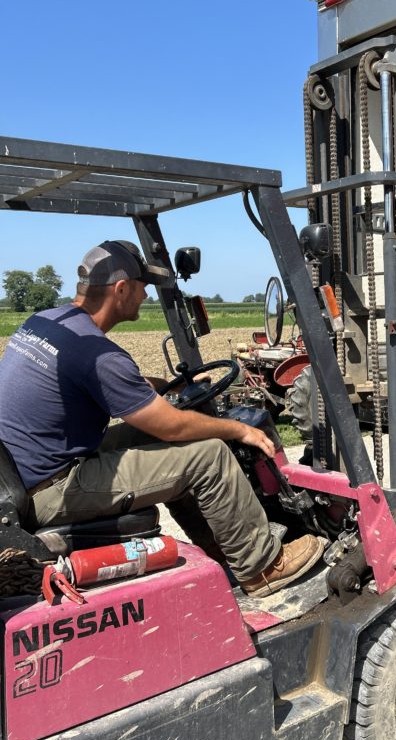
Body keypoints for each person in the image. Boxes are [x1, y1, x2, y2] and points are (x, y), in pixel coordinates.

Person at [0, 239, 323, 597]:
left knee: (169, 441)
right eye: (142, 287)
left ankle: (222, 550)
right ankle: (261, 568)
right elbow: (172, 425)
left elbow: (90, 384)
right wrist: (238, 429)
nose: (146, 296)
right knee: (210, 454)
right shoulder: (99, 354)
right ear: (121, 289)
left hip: (22, 473)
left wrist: (149, 386)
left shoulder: (47, 322)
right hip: (49, 489)